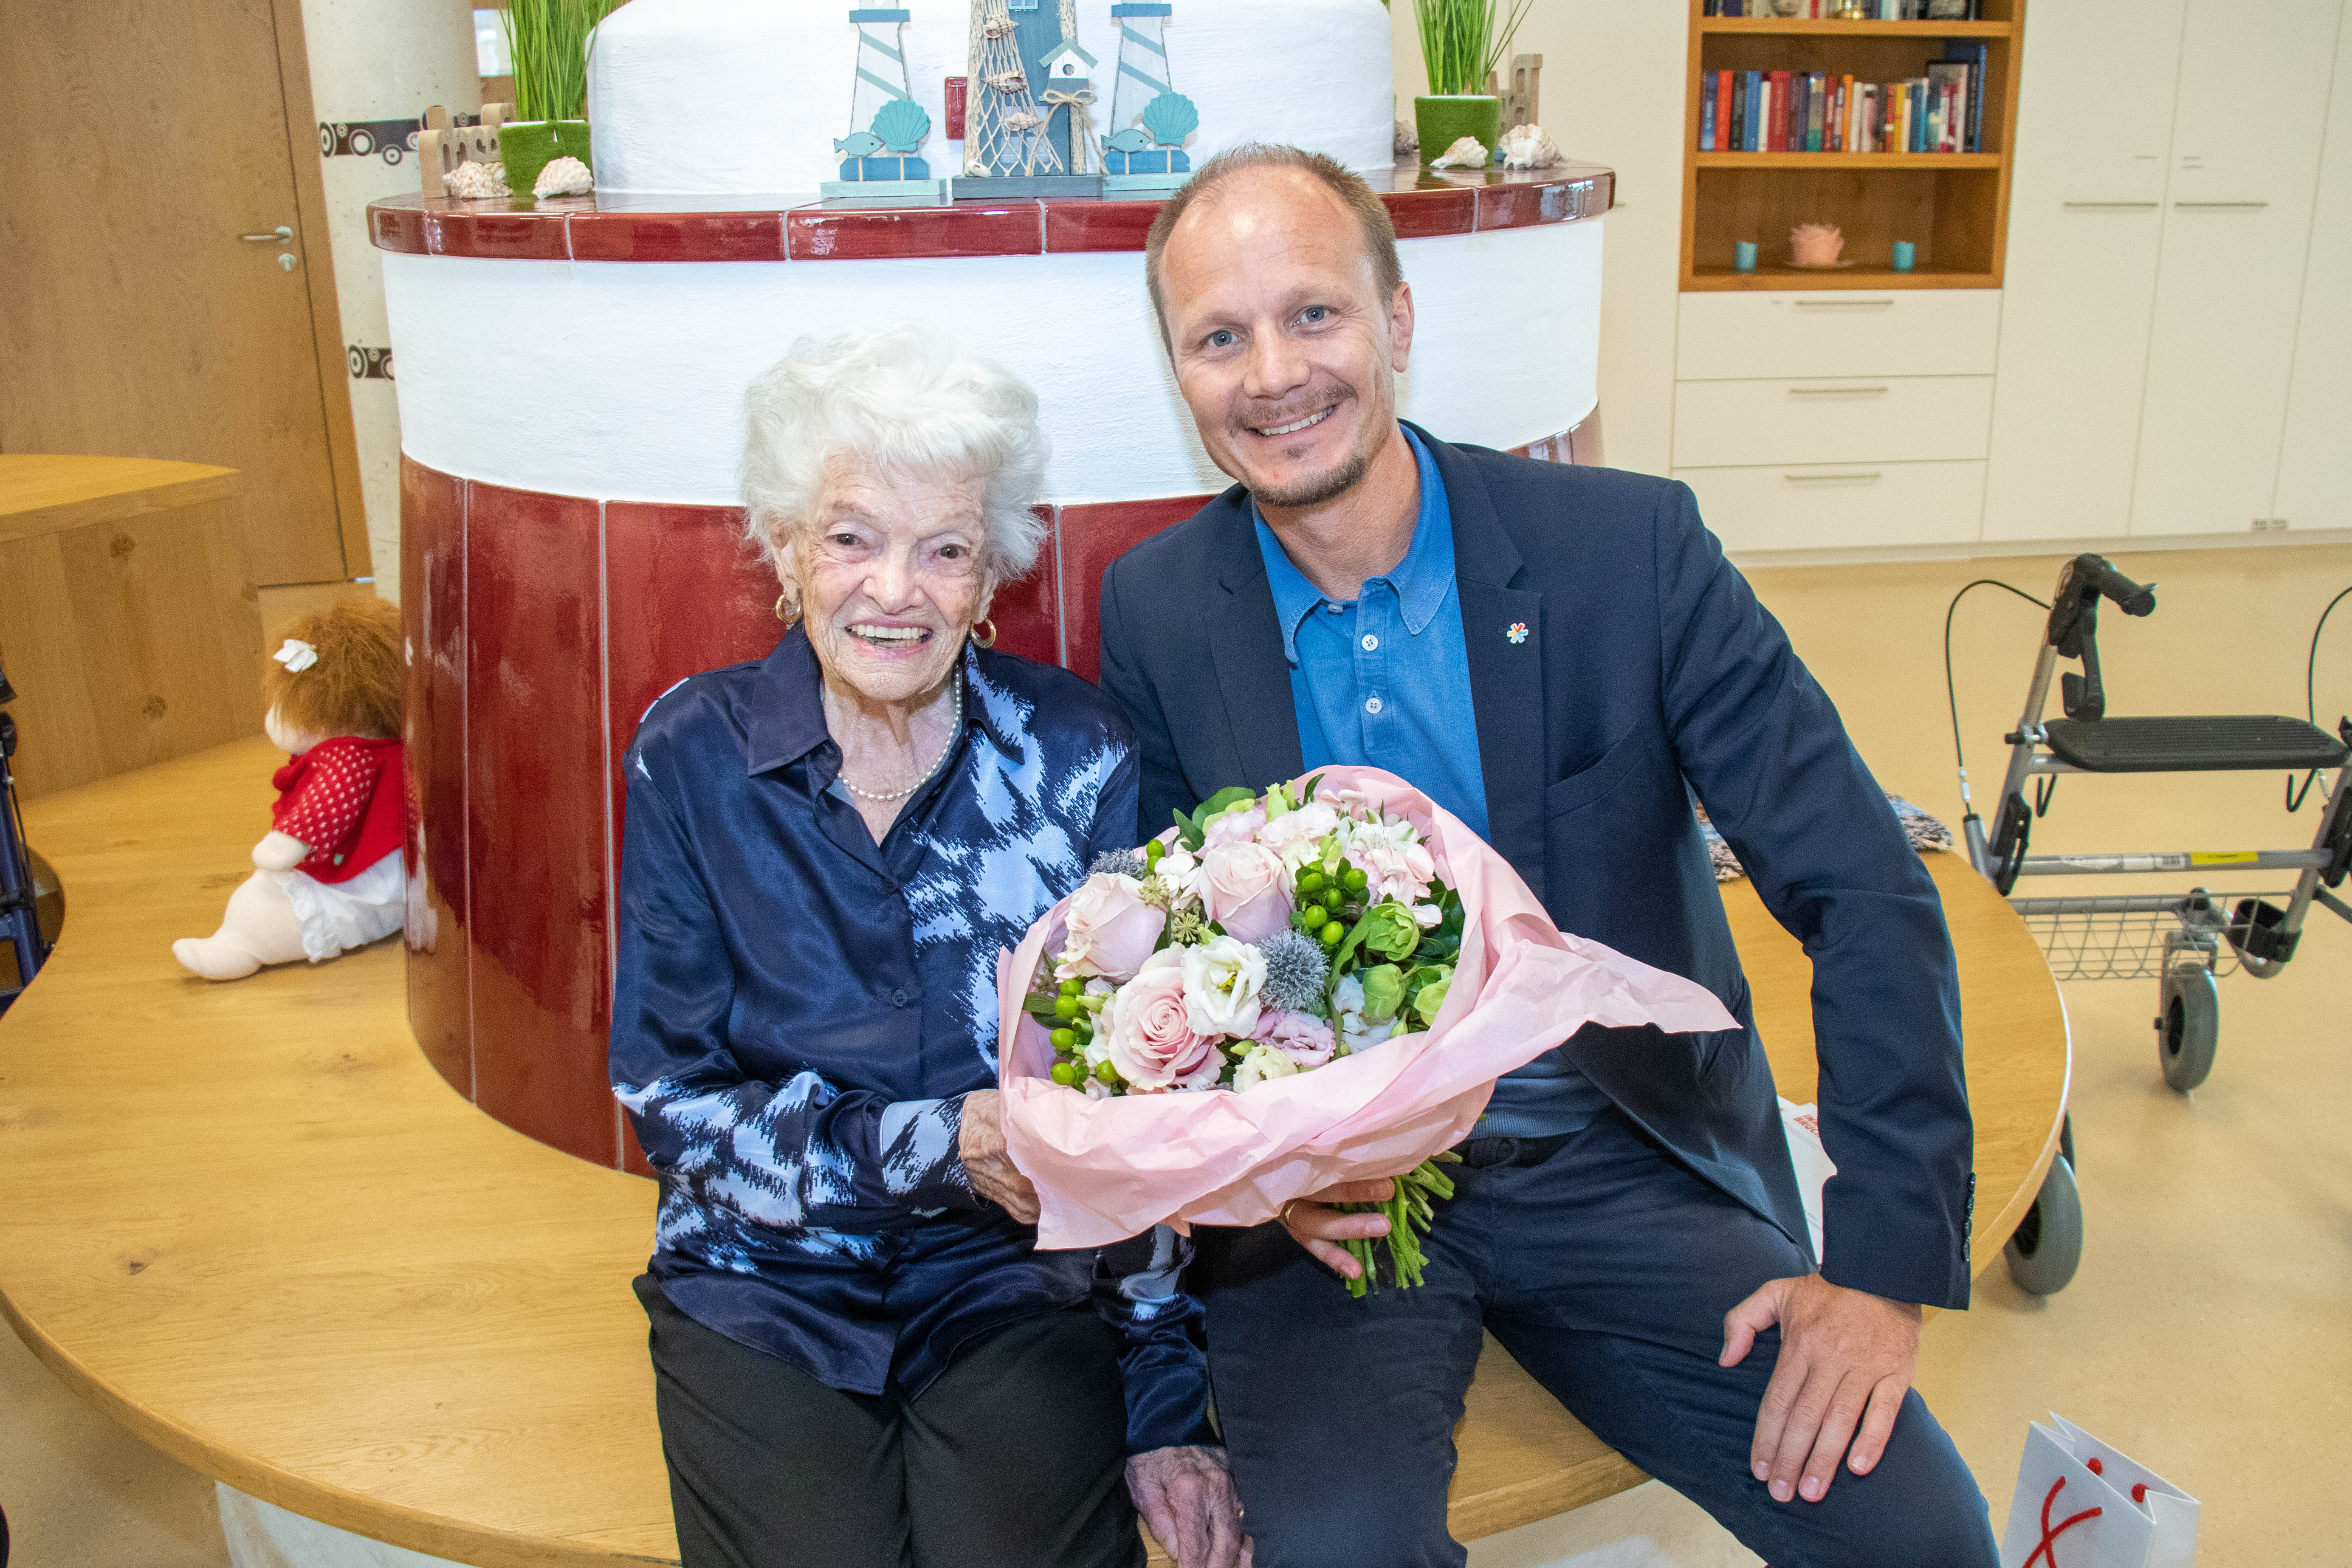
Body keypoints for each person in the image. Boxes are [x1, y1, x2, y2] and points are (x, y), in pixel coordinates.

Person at [1094, 144, 1999, 1567]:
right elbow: (1160, 951)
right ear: (1179, 373)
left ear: (1397, 320)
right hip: (1339, 1202)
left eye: (1314, 313)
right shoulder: (1155, 609)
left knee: (1919, 1536)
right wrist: (1253, 1174)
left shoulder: (1626, 552)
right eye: (1219, 338)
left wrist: (1879, 1271)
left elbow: (1862, 885)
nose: (1272, 374)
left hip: (1616, 1150)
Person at [610, 324, 1242, 1568]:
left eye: (944, 548)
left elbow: (1145, 1095)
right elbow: (670, 1106)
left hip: (1010, 1276)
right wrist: (942, 1141)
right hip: (762, 1275)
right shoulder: (690, 753)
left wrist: (1167, 1400)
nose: (894, 590)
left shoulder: (1077, 755)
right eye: (851, 538)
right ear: (784, 549)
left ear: (988, 573)